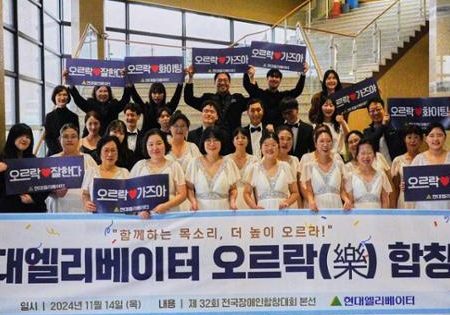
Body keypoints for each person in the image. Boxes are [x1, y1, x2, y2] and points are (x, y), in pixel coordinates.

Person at [130, 129, 187, 218]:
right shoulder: (139, 166)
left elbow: (182, 194)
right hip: (145, 218)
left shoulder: (174, 166)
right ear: (146, 146)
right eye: (151, 144)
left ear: (165, 144)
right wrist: (139, 209)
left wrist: (166, 206)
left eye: (159, 143)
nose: (155, 148)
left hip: (170, 216)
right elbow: (129, 193)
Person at [46, 124, 98, 213]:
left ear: (79, 139)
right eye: (65, 137)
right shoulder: (51, 160)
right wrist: (54, 191)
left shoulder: (88, 159)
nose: (69, 140)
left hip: (83, 208)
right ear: (59, 139)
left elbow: (97, 183)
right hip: (58, 207)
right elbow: (43, 186)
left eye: (73, 136)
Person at [186, 126, 240, 210]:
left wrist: (232, 201)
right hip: (200, 212)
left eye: (216, 140)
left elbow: (233, 189)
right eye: (208, 140)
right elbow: (189, 188)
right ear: (203, 142)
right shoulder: (194, 163)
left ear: (221, 142)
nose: (212, 144)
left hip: (223, 211)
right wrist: (193, 201)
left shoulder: (229, 163)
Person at [63, 70, 131, 136]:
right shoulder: (90, 104)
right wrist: (70, 82)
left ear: (109, 93)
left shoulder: (114, 104)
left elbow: (125, 100)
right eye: (100, 91)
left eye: (105, 91)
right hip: (91, 140)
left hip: (110, 140)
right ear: (95, 93)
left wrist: (126, 80)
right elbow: (78, 99)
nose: (103, 93)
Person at [243, 131, 299, 210]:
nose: (270, 148)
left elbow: (295, 192)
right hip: (263, 213)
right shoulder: (254, 168)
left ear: (278, 147)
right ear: (260, 147)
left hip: (283, 212)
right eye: (266, 145)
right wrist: (254, 206)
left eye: (273, 145)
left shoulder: (285, 167)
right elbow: (246, 193)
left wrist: (287, 202)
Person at [184, 67, 248, 135]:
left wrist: (248, 76)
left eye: (225, 80)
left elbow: (255, 99)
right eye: (219, 80)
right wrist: (190, 77)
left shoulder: (238, 99)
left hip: (234, 141)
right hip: (212, 140)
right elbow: (189, 99)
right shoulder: (207, 99)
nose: (222, 83)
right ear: (215, 82)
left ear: (229, 83)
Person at [0, 124, 48, 212]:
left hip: (33, 210)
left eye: (28, 137)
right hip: (7, 212)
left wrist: (34, 199)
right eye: (21, 135)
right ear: (12, 137)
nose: (25, 139)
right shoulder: (2, 160)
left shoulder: (35, 161)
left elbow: (45, 186)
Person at [301, 128, 351, 211]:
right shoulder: (309, 166)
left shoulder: (339, 164)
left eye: (328, 141)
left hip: (336, 205)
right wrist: (311, 201)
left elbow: (342, 190)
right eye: (321, 141)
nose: (325, 144)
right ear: (315, 144)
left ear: (332, 143)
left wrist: (346, 199)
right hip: (318, 207)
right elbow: (309, 191)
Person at [244, 65, 308, 127]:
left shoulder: (283, 96)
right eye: (272, 76)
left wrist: (303, 74)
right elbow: (247, 86)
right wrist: (246, 72)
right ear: (267, 78)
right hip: (262, 131)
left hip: (280, 132)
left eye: (277, 77)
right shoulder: (260, 94)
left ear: (280, 80)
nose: (274, 79)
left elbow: (298, 90)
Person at [81, 136, 129, 212]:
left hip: (120, 219)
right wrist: (86, 202)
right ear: (100, 152)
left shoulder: (125, 173)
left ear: (118, 153)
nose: (110, 154)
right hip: (96, 218)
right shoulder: (91, 171)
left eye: (113, 150)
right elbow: (85, 194)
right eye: (106, 150)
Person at [166, 111, 201, 211]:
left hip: (190, 196)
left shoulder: (192, 147)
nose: (179, 129)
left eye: (183, 126)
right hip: (170, 196)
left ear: (187, 129)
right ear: (170, 128)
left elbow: (200, 170)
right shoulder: (164, 147)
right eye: (176, 126)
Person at [411, 123, 450, 210]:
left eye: (439, 135)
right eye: (431, 135)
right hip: (424, 210)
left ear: (445, 137)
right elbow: (411, 183)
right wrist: (405, 185)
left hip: (447, 208)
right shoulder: (419, 159)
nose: (435, 139)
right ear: (426, 138)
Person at [348, 139, 392, 209]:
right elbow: (350, 202)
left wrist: (383, 218)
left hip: (377, 218)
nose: (366, 156)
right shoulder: (351, 176)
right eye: (363, 153)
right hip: (358, 219)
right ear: (357, 156)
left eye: (369, 153)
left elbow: (385, 201)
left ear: (374, 155)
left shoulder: (381, 175)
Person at [363, 97, 406, 165]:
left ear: (384, 110)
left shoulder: (394, 126)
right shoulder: (367, 132)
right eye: (372, 111)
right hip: (377, 169)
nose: (376, 113)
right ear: (369, 113)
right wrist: (383, 126)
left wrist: (388, 125)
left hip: (396, 166)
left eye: (378, 109)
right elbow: (371, 143)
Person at [391, 124, 423, 209]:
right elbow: (395, 188)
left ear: (421, 141)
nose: (412, 141)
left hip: (422, 201)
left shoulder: (426, 159)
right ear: (404, 140)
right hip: (404, 201)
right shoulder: (397, 161)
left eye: (416, 137)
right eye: (409, 137)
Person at [226, 128, 258, 209]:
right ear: (233, 141)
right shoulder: (226, 159)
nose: (240, 140)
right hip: (232, 198)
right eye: (237, 138)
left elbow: (256, 186)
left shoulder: (254, 160)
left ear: (248, 141)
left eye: (243, 137)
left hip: (249, 197)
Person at [44, 85, 79, 156]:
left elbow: (76, 137)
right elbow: (48, 138)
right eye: (59, 95)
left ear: (68, 97)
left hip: (70, 153)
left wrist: (66, 152)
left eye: (65, 95)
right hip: (53, 154)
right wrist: (59, 153)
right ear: (54, 97)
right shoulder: (49, 116)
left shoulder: (74, 116)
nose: (62, 98)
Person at [276, 126, 302, 208]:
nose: (285, 142)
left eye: (289, 139)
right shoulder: (268, 161)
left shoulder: (295, 160)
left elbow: (298, 188)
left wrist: (301, 209)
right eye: (282, 138)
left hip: (293, 204)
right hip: (276, 203)